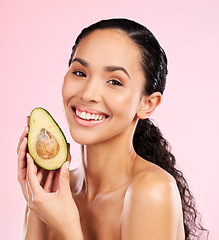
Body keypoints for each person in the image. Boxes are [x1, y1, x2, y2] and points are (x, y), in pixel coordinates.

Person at [17, 18, 208, 240]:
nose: (88, 94)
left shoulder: (152, 191)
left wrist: (68, 228)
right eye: (80, 72)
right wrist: (35, 205)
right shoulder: (53, 191)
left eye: (115, 81)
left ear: (147, 104)